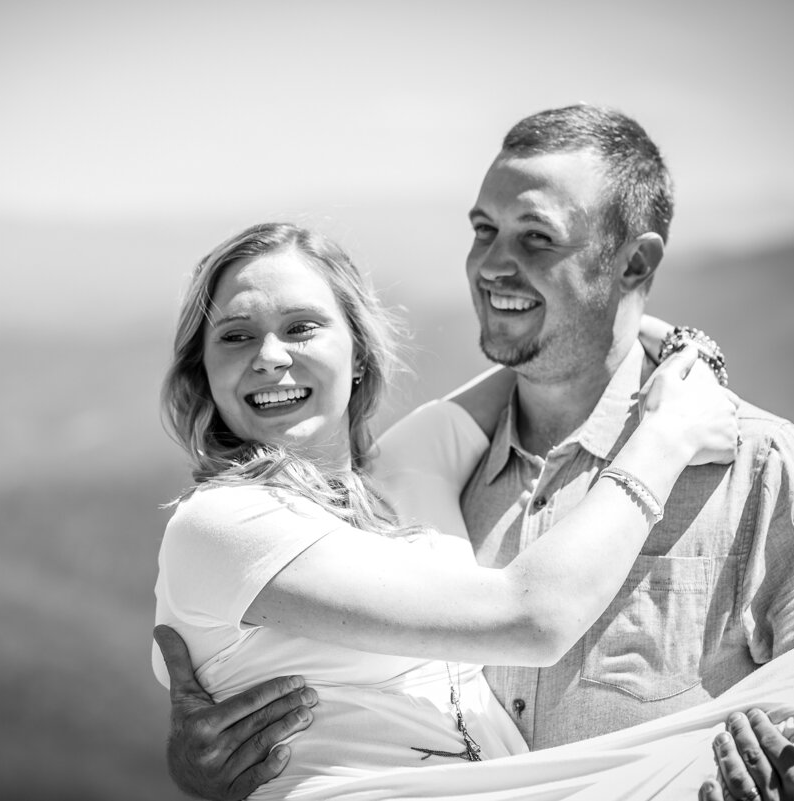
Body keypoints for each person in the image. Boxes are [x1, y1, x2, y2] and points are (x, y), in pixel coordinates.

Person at [154, 106, 794, 801]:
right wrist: (662, 434)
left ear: (634, 263)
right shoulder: (238, 521)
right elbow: (534, 614)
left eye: (535, 237)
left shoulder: (751, 463)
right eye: (483, 230)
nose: (492, 265)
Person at [153, 220, 742, 799]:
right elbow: (533, 619)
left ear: (357, 353)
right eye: (235, 336)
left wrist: (683, 349)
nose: (270, 356)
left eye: (302, 328)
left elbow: (573, 351)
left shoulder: (406, 467)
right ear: (203, 374)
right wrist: (666, 438)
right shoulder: (222, 524)